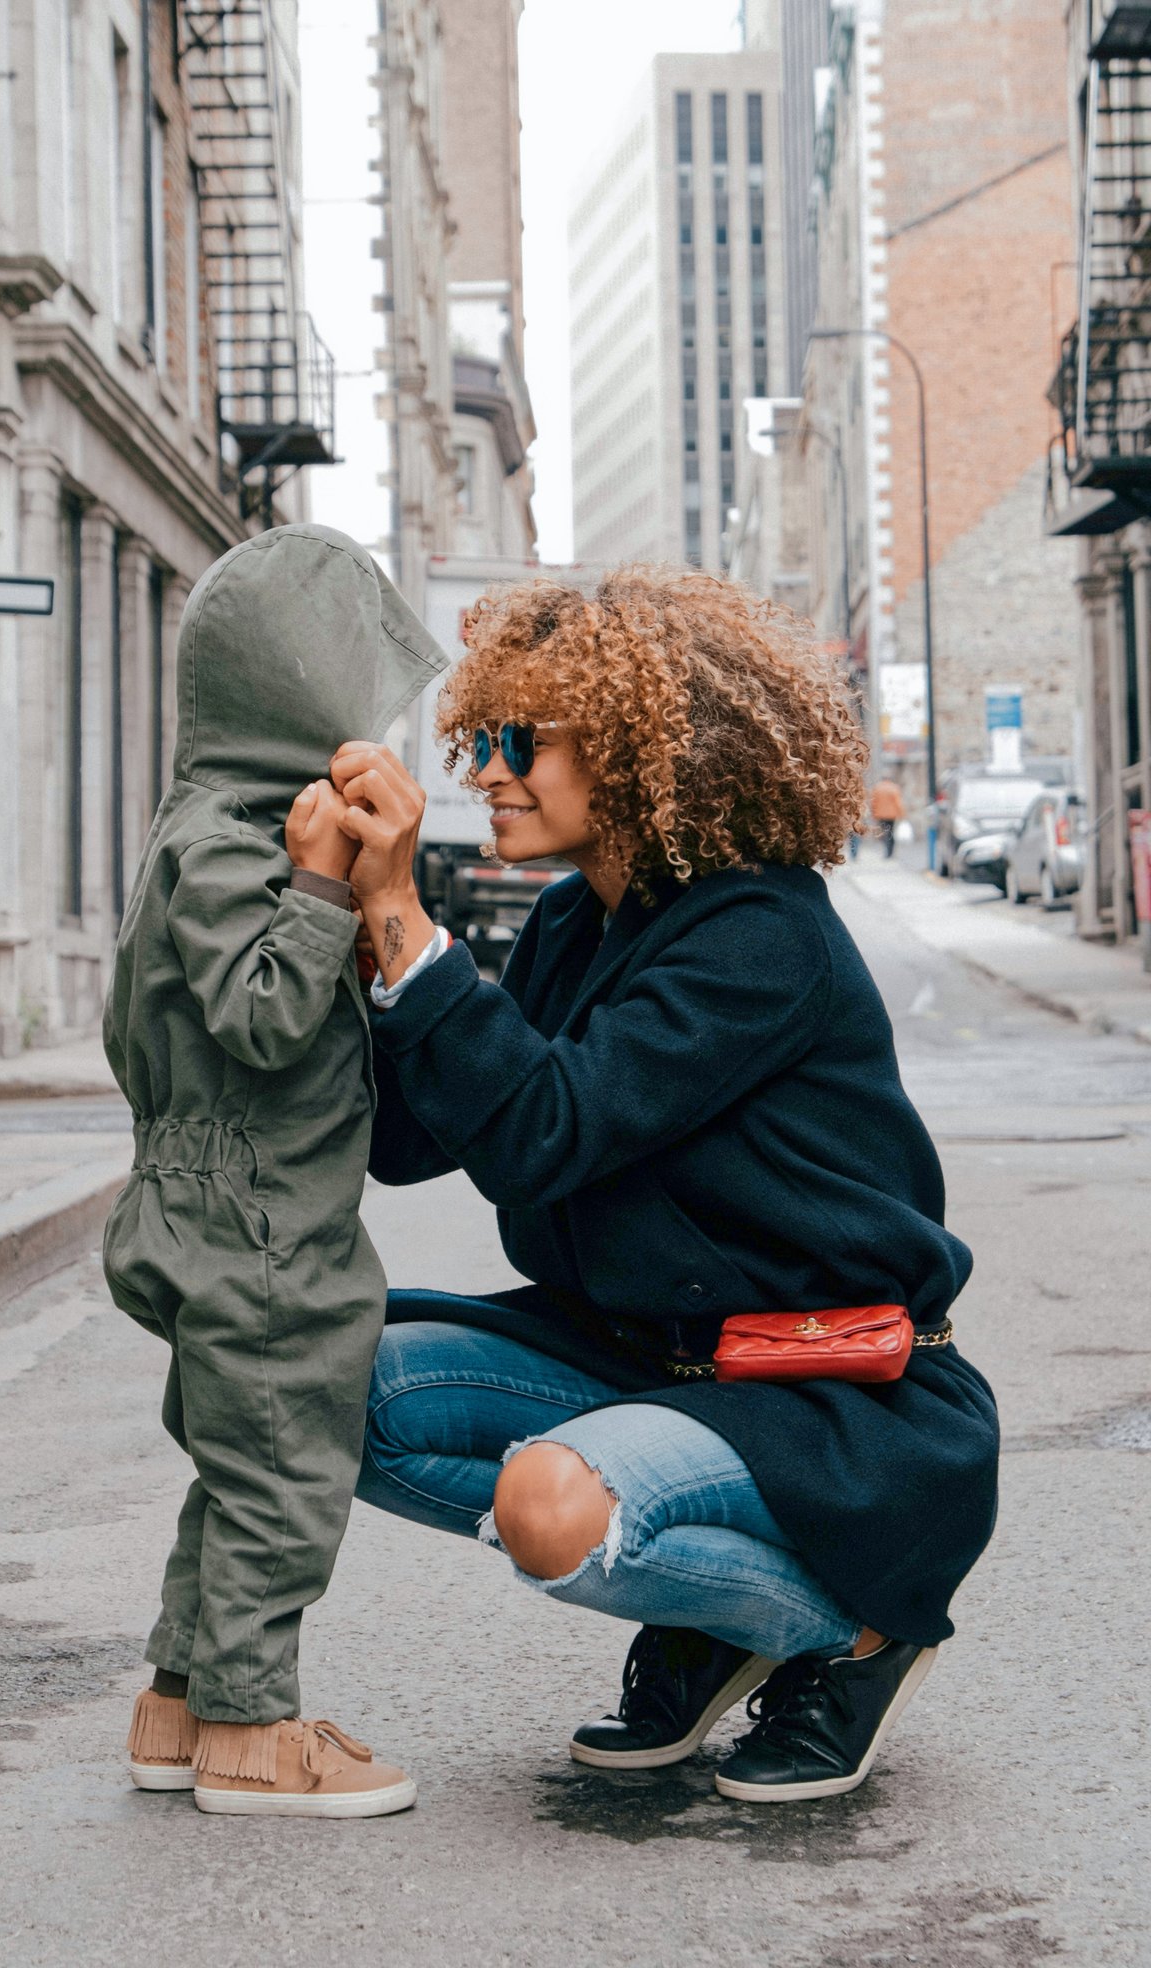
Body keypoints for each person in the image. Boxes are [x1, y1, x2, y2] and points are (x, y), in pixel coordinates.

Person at [332, 566, 998, 1805]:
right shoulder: (573, 926)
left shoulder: (758, 933)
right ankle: (716, 1610)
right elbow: (418, 1139)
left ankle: (844, 1630)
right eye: (479, 738)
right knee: (327, 1394)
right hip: (641, 1355)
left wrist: (408, 924)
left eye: (519, 741)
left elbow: (544, 1130)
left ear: (643, 747)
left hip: (822, 1391)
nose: (484, 772)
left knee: (552, 1509)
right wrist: (347, 917)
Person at [101, 524, 444, 1816]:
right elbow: (258, 1016)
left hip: (207, 1204)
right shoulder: (242, 843)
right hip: (261, 1223)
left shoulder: (199, 829)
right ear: (294, 693)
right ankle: (254, 1731)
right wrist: (319, 892)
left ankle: (181, 1703)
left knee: (233, 1467)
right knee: (288, 1475)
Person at [870, 775, 906, 858]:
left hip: (880, 814)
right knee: (890, 832)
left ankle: (887, 849)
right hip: (891, 815)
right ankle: (890, 851)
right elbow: (898, 802)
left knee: (884, 832)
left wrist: (873, 814)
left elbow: (873, 802)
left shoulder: (877, 788)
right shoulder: (894, 788)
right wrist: (902, 814)